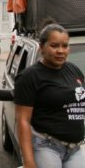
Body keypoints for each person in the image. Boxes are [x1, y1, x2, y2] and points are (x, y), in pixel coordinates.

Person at [14, 21, 85, 168]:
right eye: (54, 46)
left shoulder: (74, 70)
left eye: (65, 46)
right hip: (46, 147)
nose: (61, 51)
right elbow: (23, 120)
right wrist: (28, 162)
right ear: (42, 47)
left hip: (74, 148)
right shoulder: (30, 76)